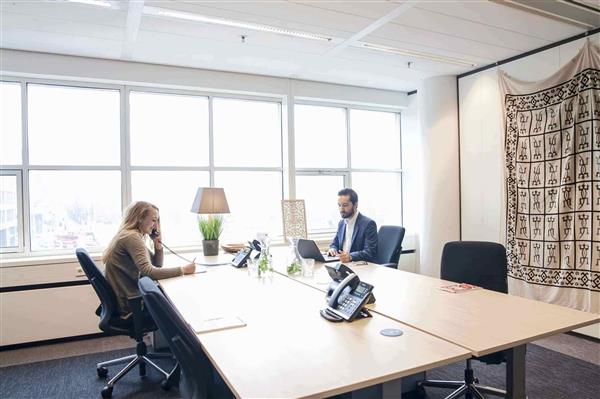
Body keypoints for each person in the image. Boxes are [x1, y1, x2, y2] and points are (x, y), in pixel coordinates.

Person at [103, 201, 196, 318]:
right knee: (180, 298)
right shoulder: (132, 237)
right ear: (140, 218)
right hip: (131, 304)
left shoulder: (132, 235)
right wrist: (183, 270)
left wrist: (157, 244)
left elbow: (157, 264)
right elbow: (149, 272)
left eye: (157, 221)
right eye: (153, 220)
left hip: (128, 298)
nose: (156, 225)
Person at [327, 188, 377, 263]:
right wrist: (333, 249)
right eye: (339, 205)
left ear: (355, 205)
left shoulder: (368, 224)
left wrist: (350, 256)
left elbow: (369, 252)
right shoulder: (341, 223)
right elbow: (335, 243)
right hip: (343, 264)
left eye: (345, 205)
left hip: (360, 266)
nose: (341, 209)